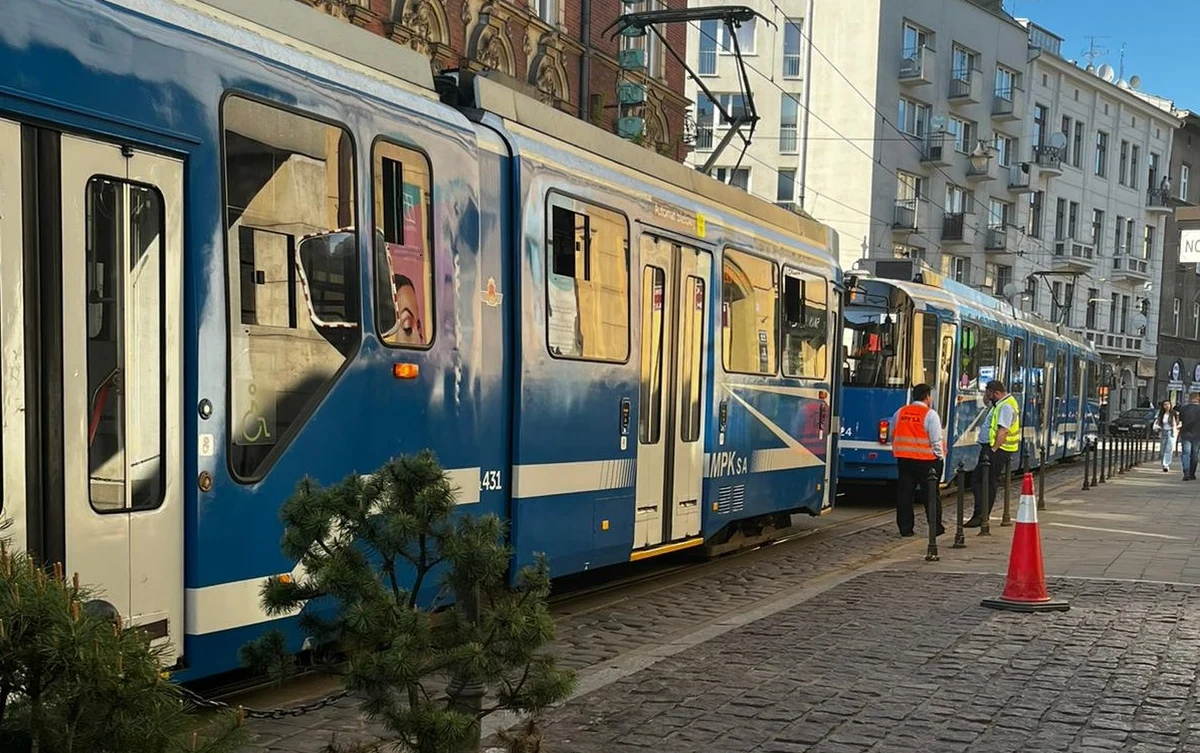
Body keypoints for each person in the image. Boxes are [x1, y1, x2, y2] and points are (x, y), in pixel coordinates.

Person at [889, 383, 945, 538]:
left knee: (905, 495)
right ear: (927, 397)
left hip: (905, 459)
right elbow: (936, 439)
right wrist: (939, 456)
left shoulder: (900, 412)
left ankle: (905, 528)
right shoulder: (930, 415)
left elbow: (892, 434)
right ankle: (935, 527)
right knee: (931, 495)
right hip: (927, 461)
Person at [966, 380, 1020, 528]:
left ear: (996, 393)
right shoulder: (1001, 404)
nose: (986, 396)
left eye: (988, 393)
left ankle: (981, 516)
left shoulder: (1006, 406)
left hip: (997, 450)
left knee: (984, 481)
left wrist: (994, 449)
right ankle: (981, 515)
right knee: (982, 480)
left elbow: (1003, 431)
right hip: (994, 449)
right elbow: (985, 403)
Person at [1153, 399, 1181, 473]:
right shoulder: (1161, 414)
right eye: (1165, 404)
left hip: (1171, 432)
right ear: (1163, 406)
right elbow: (1157, 422)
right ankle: (1163, 463)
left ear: (1170, 405)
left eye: (1168, 404)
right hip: (1163, 432)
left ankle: (1166, 465)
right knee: (1162, 450)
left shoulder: (1174, 413)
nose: (1167, 406)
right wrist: (1157, 428)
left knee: (1169, 449)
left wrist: (1176, 430)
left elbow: (1178, 423)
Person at [1178, 393, 1200, 480]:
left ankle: (1186, 472)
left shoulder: (1183, 408)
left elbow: (1180, 419)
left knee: (1186, 453)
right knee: (1194, 454)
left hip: (1185, 433)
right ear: (1198, 399)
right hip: (1197, 434)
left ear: (1190, 398)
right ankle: (1192, 473)